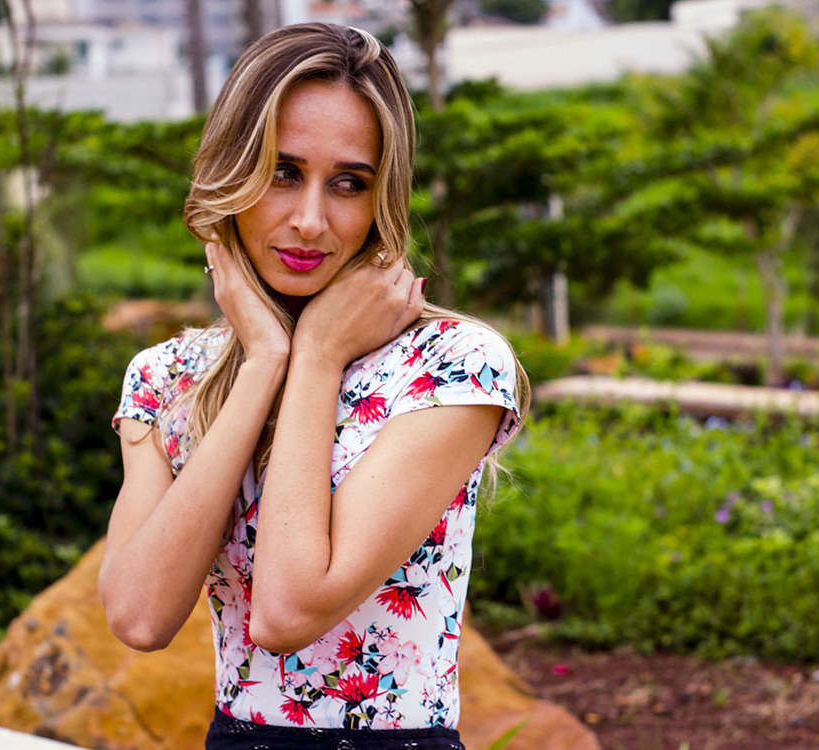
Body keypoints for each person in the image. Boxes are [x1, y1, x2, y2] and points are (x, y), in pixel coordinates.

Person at [99, 22, 529, 750]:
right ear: (232, 175)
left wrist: (319, 357)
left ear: (380, 197)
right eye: (281, 171)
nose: (309, 221)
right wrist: (267, 358)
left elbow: (288, 610)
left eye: (349, 183)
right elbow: (140, 618)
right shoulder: (166, 378)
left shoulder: (452, 366)